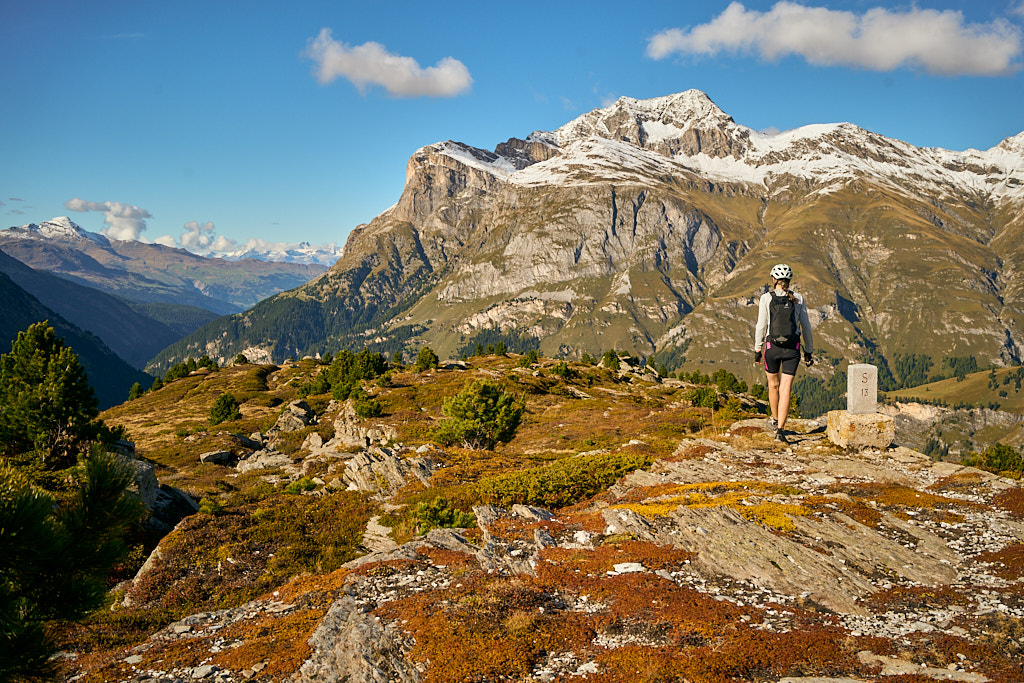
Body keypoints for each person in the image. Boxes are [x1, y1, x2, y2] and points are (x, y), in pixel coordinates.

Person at [753, 263, 813, 443]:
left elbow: (761, 325)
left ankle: (774, 419)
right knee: (785, 388)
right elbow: (806, 327)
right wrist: (809, 351)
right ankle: (780, 431)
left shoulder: (766, 298)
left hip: (772, 348)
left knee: (773, 385)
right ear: (789, 280)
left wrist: (757, 348)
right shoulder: (798, 299)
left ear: (773, 280)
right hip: (792, 349)